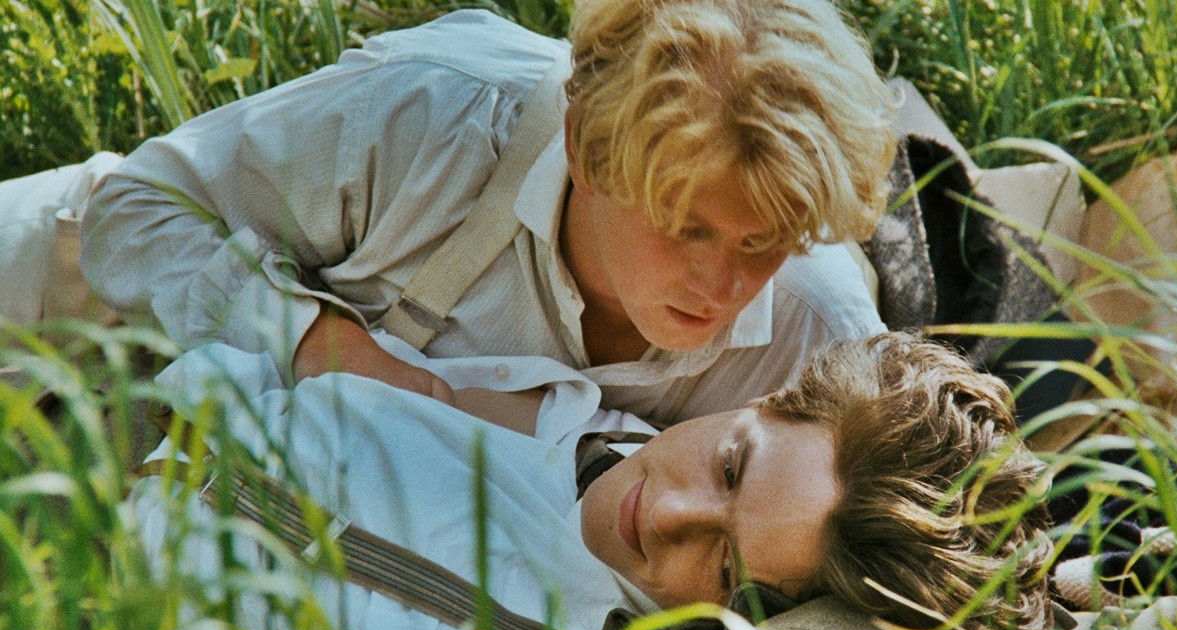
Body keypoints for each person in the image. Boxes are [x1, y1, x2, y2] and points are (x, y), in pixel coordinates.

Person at [133, 331, 1052, 630]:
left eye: (725, 568)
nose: (670, 515)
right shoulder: (592, 422)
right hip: (143, 379)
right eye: (730, 468)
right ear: (767, 400)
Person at [80, 0, 896, 426]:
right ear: (586, 151)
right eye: (687, 227)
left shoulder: (821, 333)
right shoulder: (428, 116)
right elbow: (137, 211)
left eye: (764, 242)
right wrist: (313, 342)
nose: (723, 286)